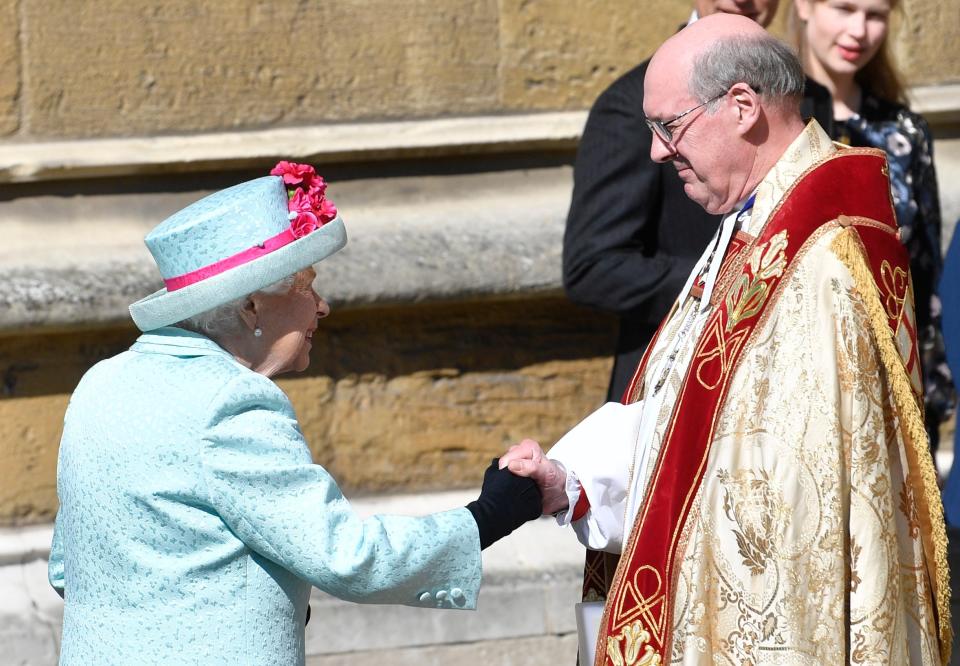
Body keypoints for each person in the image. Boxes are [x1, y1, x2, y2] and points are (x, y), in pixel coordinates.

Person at [503, 15, 950, 664]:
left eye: (669, 126)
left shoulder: (819, 261)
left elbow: (794, 515)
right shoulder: (757, 223)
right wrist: (574, 480)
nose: (657, 151)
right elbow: (691, 415)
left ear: (742, 107)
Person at [47, 162, 542, 665]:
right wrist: (493, 512)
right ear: (252, 309)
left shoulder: (101, 382)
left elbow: (68, 568)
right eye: (306, 286)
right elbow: (348, 557)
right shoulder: (231, 402)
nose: (322, 307)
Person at [563, 0, 810, 405]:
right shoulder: (630, 102)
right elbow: (593, 266)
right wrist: (731, 285)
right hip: (671, 390)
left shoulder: (801, 92)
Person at [790, 0, 954, 449]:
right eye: (844, 8)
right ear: (804, 6)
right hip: (793, 384)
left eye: (875, 15)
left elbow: (922, 276)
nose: (859, 30)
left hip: (889, 388)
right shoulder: (774, 121)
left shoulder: (904, 130)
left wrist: (932, 393)